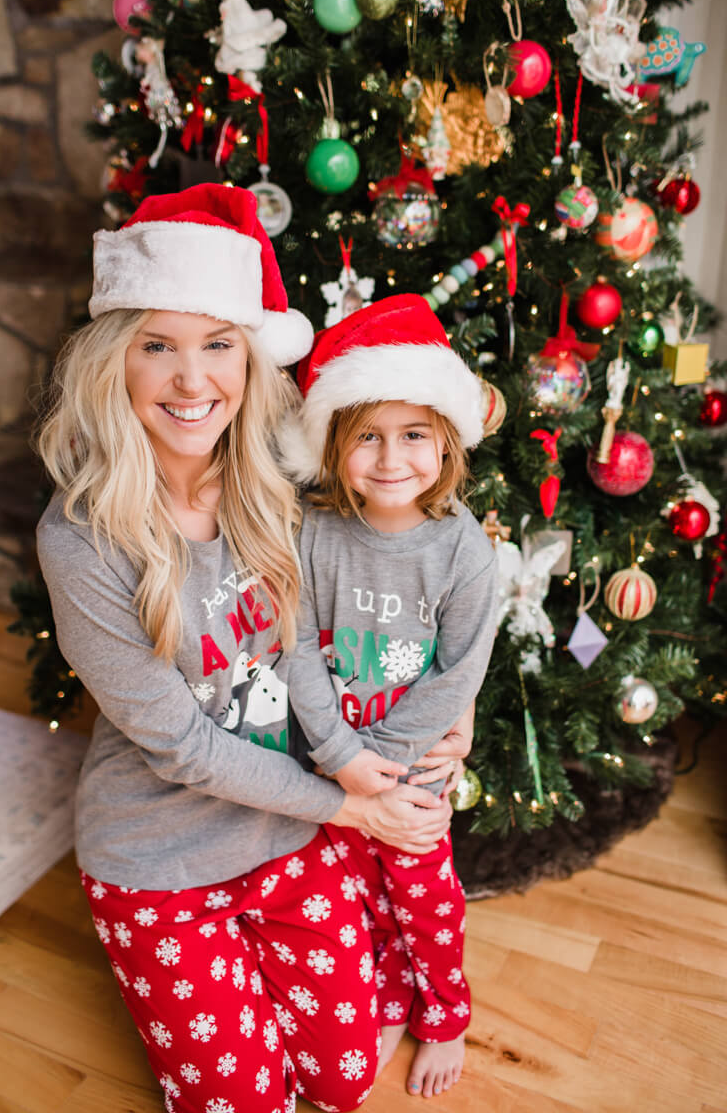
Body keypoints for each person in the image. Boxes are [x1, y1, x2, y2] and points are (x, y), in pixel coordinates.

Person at [35, 186, 456, 1113]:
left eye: (218, 344)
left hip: (292, 829)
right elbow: (181, 747)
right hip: (160, 857)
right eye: (159, 345)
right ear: (115, 361)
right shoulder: (80, 539)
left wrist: (447, 725)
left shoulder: (286, 478)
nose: (193, 381)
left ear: (250, 358)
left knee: (343, 1084)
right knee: (247, 1103)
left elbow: (416, 593)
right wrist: (351, 814)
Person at [279, 294, 499, 1100]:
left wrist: (388, 765)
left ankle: (443, 1013)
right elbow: (293, 643)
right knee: (348, 895)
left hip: (410, 775)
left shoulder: (464, 552)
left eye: (413, 434)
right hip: (328, 767)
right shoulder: (313, 532)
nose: (389, 457)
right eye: (367, 435)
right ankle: (384, 994)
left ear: (445, 442)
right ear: (335, 444)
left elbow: (457, 674)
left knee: (425, 901)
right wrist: (339, 757)